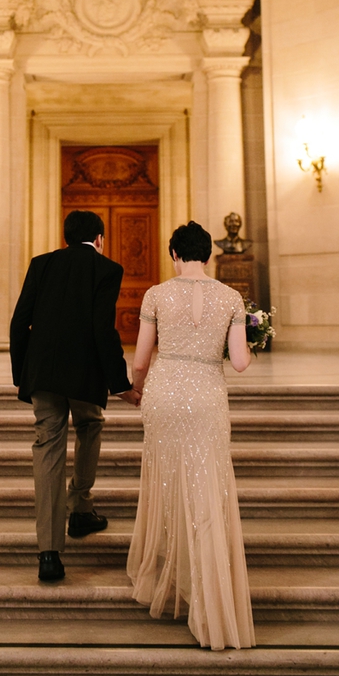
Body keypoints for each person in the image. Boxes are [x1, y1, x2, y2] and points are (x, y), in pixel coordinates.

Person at [127, 220, 255, 649]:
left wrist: (136, 388)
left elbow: (142, 358)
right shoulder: (232, 297)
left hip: (164, 395)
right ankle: (209, 597)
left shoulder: (157, 294)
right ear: (209, 254)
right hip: (207, 395)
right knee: (206, 489)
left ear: (174, 255)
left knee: (167, 483)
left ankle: (176, 577)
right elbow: (239, 363)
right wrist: (252, 338)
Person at [10, 210, 140, 583]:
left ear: (66, 236)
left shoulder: (41, 264)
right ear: (99, 238)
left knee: (47, 449)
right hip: (84, 374)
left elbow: (20, 322)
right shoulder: (107, 269)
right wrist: (120, 384)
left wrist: (24, 376)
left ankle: (49, 553)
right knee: (90, 423)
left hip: (44, 375)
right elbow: (103, 330)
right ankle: (80, 507)